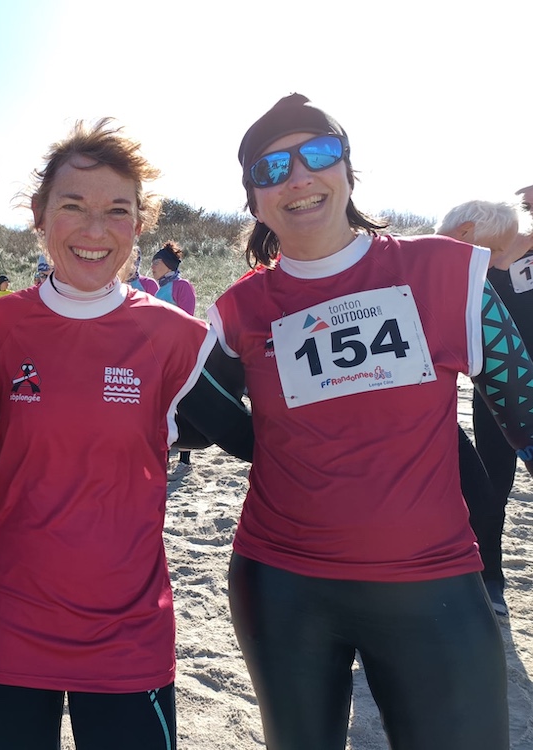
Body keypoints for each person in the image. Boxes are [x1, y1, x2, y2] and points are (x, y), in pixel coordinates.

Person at [209, 93, 533, 750]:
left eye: (318, 153)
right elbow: (191, 412)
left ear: (348, 169)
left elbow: (525, 410)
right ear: (254, 200)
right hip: (282, 585)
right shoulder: (239, 309)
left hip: (433, 585)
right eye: (271, 168)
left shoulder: (445, 272)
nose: (298, 177)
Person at [0, 119, 254, 750]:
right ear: (39, 216)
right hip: (9, 620)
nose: (95, 230)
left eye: (118, 210)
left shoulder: (175, 336)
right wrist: (7, 500)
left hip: (127, 630)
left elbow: (251, 438)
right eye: (73, 206)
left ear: (140, 224)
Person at [437, 198, 533, 615]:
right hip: (495, 392)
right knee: (490, 488)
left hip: (514, 388)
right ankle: (488, 576)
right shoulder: (463, 269)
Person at [150, 240, 196, 468]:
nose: (152, 266)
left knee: (182, 405)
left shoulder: (181, 286)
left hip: (178, 353)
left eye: (156, 262)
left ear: (168, 264)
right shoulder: (159, 289)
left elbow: (187, 319)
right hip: (161, 353)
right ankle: (165, 454)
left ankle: (185, 459)